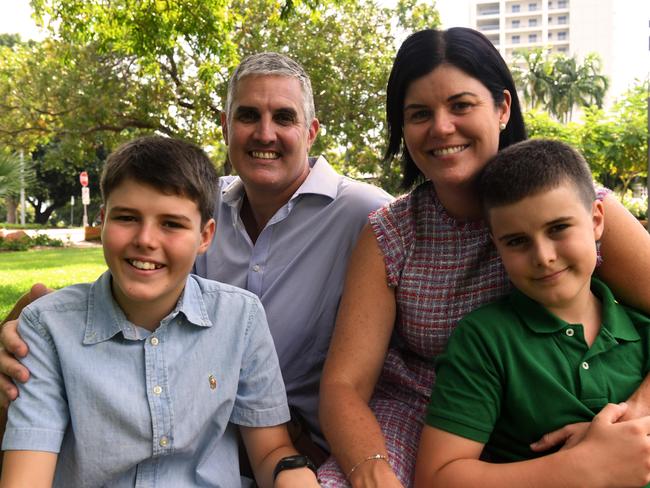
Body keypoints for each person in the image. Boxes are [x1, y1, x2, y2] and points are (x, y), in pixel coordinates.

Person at [0, 52, 393, 460]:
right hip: (192, 439)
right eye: (247, 116)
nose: (264, 133)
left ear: (310, 132)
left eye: (283, 117)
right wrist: (33, 327)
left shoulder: (367, 215)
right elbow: (135, 289)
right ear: (225, 127)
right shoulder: (192, 205)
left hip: (305, 448)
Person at [317, 27, 650, 487]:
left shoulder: (569, 205)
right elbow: (344, 385)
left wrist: (636, 416)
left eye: (461, 105)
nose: (441, 127)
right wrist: (369, 467)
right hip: (422, 418)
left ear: (502, 108)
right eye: (419, 114)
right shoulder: (391, 234)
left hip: (551, 416)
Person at [0, 135, 320, 487]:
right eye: (127, 218)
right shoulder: (48, 329)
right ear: (103, 222)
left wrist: (295, 477)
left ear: (205, 236)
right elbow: (27, 471)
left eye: (171, 223)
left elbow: (270, 450)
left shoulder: (240, 318)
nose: (146, 240)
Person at [415, 138, 650, 488]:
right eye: (517, 241)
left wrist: (628, 431)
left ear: (597, 220)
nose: (543, 256)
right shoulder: (486, 340)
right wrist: (581, 467)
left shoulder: (639, 326)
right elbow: (437, 476)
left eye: (558, 229)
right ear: (497, 246)